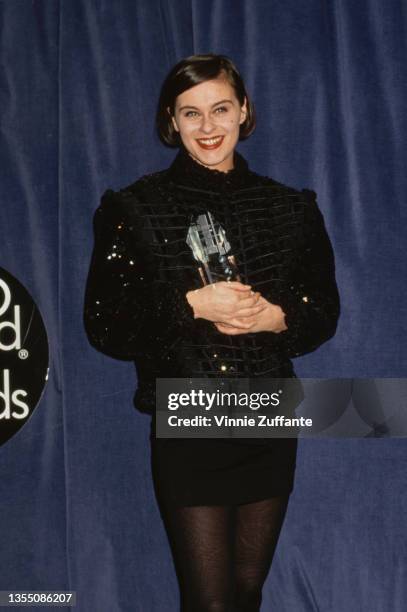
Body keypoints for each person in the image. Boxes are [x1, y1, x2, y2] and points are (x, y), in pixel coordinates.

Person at [84, 54, 340, 612]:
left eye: (220, 109)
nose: (207, 127)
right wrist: (191, 305)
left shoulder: (291, 207)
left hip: (267, 412)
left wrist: (279, 317)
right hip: (190, 415)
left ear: (243, 111)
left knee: (247, 593)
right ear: (171, 121)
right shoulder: (135, 208)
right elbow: (105, 324)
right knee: (210, 602)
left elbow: (323, 310)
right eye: (191, 113)